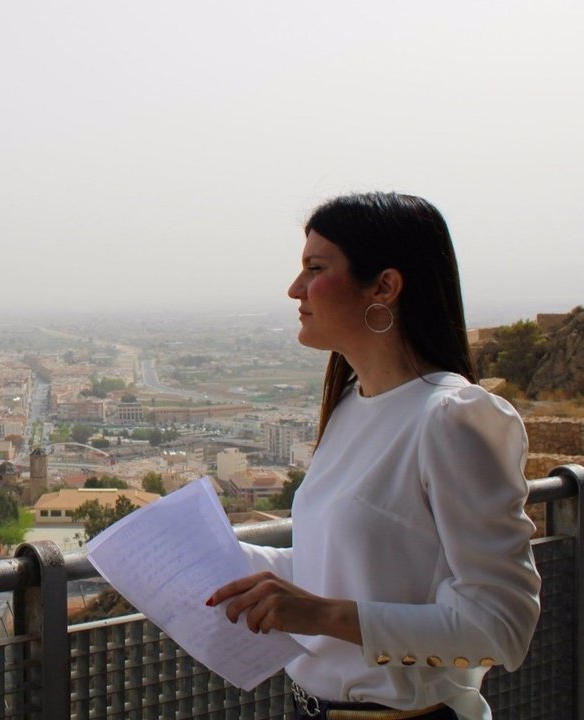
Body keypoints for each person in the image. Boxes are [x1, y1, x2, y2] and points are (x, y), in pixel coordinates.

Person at [207, 192, 540, 720]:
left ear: (385, 286)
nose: (296, 289)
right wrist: (210, 557)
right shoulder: (350, 405)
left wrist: (323, 617)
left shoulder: (450, 419)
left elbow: (500, 629)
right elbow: (341, 565)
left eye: (315, 269)